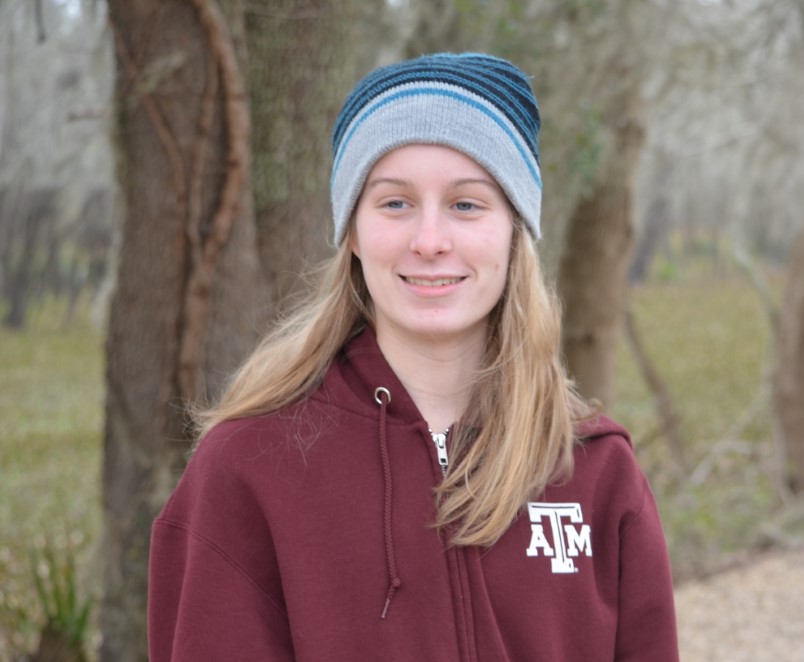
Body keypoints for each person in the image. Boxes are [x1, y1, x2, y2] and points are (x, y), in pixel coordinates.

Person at [147, 52, 679, 661]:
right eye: (395, 203)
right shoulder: (248, 467)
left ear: (514, 230)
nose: (429, 242)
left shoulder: (593, 469)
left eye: (466, 204)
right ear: (352, 232)